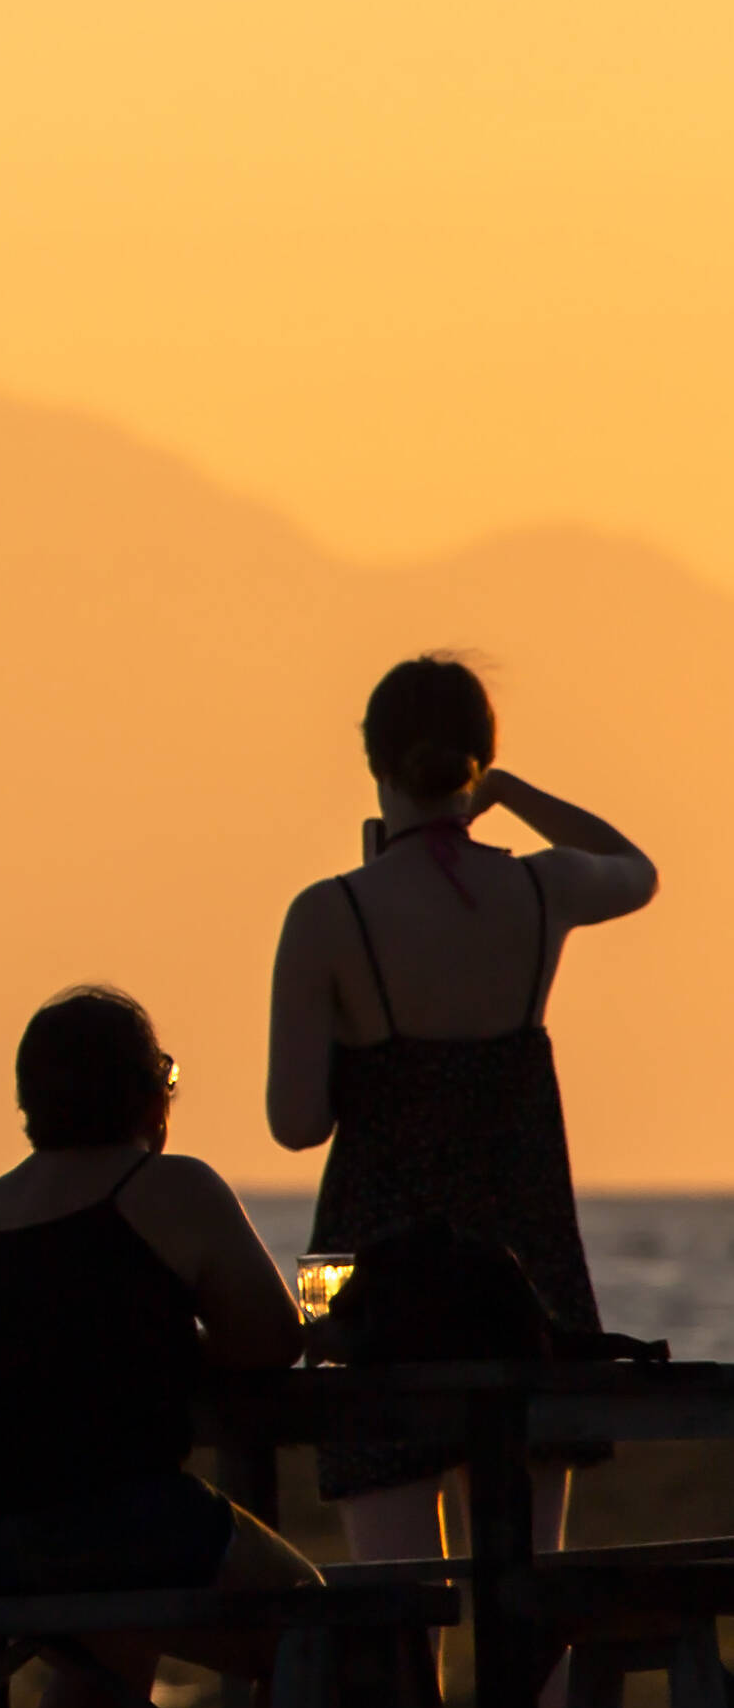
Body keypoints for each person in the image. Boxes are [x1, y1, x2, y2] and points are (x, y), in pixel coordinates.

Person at [0, 986, 312, 1708]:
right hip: (96, 1524)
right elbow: (271, 1341)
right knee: (316, 1626)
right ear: (145, 1093)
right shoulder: (165, 1186)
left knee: (110, 1630)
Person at [266, 656, 657, 1579]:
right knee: (530, 1582)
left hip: (360, 1269)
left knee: (390, 1598)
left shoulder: (329, 913)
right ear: (478, 762)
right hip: (523, 1261)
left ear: (375, 764)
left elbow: (295, 1124)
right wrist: (511, 792)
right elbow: (636, 869)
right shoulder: (539, 889)